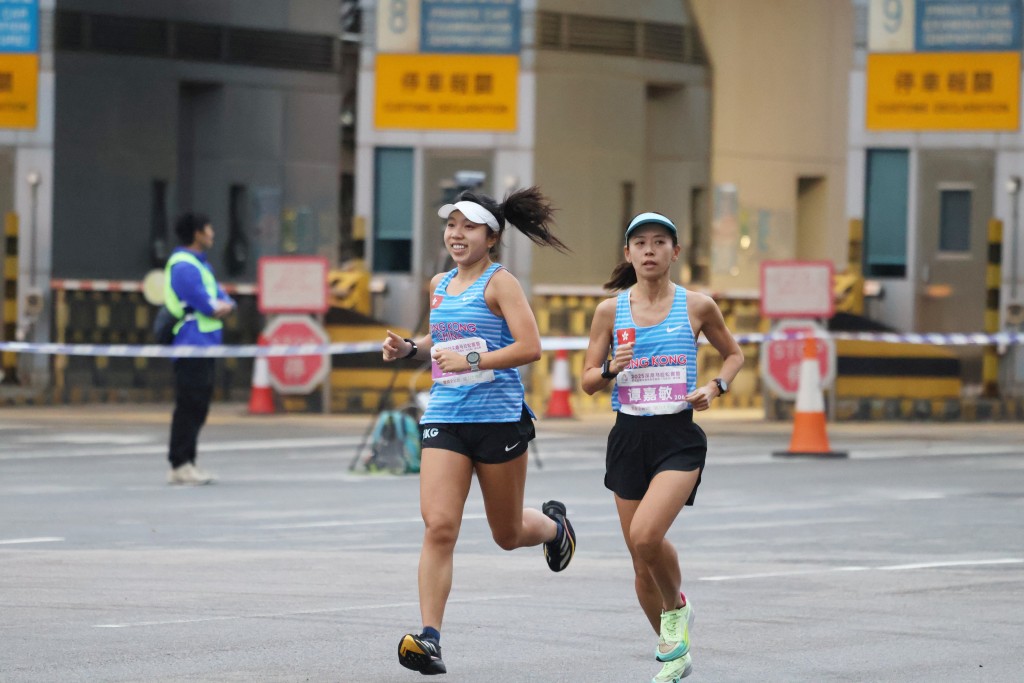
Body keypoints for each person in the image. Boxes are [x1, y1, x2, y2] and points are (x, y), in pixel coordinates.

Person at [381, 187, 576, 676]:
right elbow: (440, 338)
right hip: (446, 417)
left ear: (491, 235)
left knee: (507, 534)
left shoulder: (501, 283)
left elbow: (530, 346)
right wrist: (410, 348)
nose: (456, 234)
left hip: (498, 420)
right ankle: (430, 639)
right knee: (439, 526)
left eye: (468, 226)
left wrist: (474, 359)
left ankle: (554, 526)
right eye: (451, 226)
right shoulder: (440, 284)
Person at [581, 212, 743, 683]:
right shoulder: (610, 311)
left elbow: (733, 355)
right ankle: (674, 655)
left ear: (675, 253)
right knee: (639, 561)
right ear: (627, 255)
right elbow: (588, 381)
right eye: (640, 243)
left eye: (659, 242)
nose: (649, 250)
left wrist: (715, 387)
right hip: (628, 437)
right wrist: (611, 367)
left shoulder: (697, 306)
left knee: (646, 536)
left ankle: (676, 610)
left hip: (677, 437)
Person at [164, 212, 236, 485]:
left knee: (199, 405)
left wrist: (223, 305)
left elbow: (223, 298)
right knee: (189, 404)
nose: (212, 233)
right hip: (190, 344)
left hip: (206, 345)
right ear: (197, 233)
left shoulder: (201, 265)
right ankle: (179, 464)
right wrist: (220, 306)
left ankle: (188, 462)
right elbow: (208, 305)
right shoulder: (184, 266)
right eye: (208, 229)